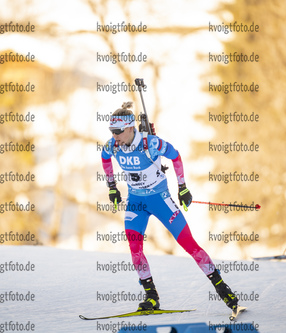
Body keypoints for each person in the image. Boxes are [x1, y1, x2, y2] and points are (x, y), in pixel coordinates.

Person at [100, 101, 238, 311]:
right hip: (136, 202)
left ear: (130, 128)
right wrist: (112, 186)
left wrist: (182, 187)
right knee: (135, 247)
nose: (114, 135)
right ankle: (151, 296)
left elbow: (175, 155)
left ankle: (221, 287)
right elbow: (105, 158)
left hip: (160, 200)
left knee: (188, 243)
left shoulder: (151, 143)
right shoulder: (112, 145)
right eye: (111, 131)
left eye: (118, 131)